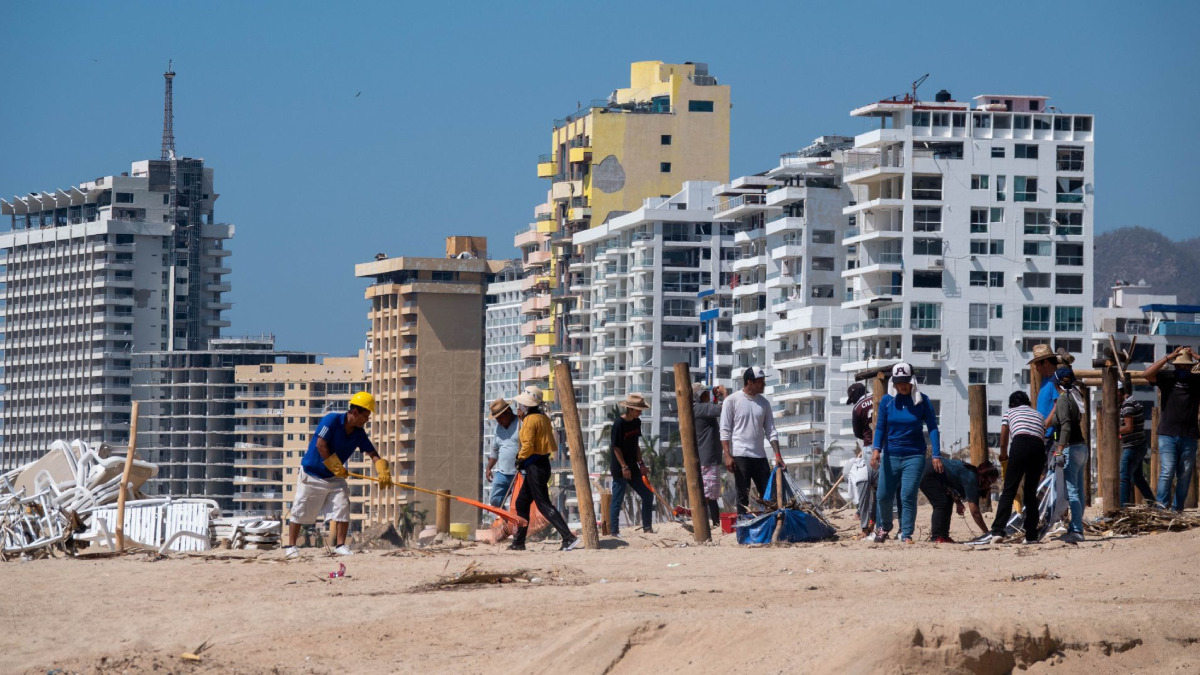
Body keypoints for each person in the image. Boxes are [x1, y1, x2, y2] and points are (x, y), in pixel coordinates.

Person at [285, 392, 387, 559]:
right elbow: (320, 445)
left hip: (335, 477)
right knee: (300, 509)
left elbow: (372, 452)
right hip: (312, 474)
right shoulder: (330, 420)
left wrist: (382, 467)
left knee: (342, 506)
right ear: (355, 412)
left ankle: (340, 545)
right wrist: (335, 465)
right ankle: (291, 546)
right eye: (366, 415)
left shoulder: (359, 433)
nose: (367, 420)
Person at [871, 362, 941, 543]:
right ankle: (885, 526)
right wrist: (876, 450)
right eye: (898, 382)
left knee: (908, 494)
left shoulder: (922, 400)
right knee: (884, 496)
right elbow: (880, 428)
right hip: (891, 454)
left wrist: (936, 455)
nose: (902, 385)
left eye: (906, 381)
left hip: (914, 455)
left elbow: (933, 428)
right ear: (893, 383)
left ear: (912, 381)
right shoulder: (887, 401)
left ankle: (906, 533)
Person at [508, 386, 579, 551]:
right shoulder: (543, 417)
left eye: (521, 404)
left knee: (543, 504)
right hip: (542, 465)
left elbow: (527, 445)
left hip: (534, 466)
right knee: (522, 502)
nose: (519, 406)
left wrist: (519, 459)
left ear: (527, 405)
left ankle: (568, 537)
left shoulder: (530, 420)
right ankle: (519, 542)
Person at [1143, 347, 1200, 511]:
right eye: (1180, 365)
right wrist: (1168, 357)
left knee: (1185, 474)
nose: (1183, 368)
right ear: (1175, 366)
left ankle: (1177, 508)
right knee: (1167, 472)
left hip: (1189, 435)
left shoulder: (1196, 380)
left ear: (1191, 367)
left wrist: (1196, 356)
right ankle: (1161, 507)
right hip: (1167, 434)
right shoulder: (1166, 377)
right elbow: (1146, 374)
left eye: (1186, 366)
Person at [987, 391, 1049, 543]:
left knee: (1009, 489)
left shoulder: (1010, 412)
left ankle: (998, 531)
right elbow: (1042, 436)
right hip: (1038, 448)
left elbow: (1003, 437)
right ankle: (1031, 535)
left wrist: (1003, 455)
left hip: (1020, 444)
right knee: (1030, 492)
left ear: (1012, 404)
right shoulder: (1039, 415)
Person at [720, 367, 782, 514]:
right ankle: (742, 527)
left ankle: (769, 523)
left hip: (759, 455)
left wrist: (777, 455)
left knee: (768, 493)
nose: (764, 385)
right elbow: (724, 430)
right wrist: (727, 455)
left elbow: (771, 430)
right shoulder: (732, 400)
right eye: (760, 382)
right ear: (750, 382)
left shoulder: (764, 404)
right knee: (742, 494)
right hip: (741, 455)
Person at [847, 382, 899, 538]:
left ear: (855, 395)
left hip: (871, 448)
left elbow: (858, 433)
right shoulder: (886, 399)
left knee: (870, 488)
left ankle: (868, 526)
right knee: (884, 488)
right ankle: (884, 526)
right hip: (890, 446)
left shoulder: (857, 408)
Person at [1046, 366, 1086, 543]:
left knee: (1071, 490)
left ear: (1056, 383)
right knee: (1078, 489)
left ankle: (1076, 530)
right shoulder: (1074, 398)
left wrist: (1060, 449)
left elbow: (1066, 426)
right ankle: (1076, 526)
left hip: (1070, 447)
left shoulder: (1063, 400)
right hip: (1081, 448)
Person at [919, 457, 998, 542]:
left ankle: (944, 536)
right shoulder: (972, 479)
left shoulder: (971, 474)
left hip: (931, 472)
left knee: (948, 501)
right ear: (984, 477)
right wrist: (987, 533)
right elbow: (975, 511)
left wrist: (958, 503)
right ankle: (936, 537)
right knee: (941, 503)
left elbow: (950, 485)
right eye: (990, 482)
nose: (989, 486)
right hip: (928, 473)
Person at [609, 392, 655, 536]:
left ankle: (647, 527)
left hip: (633, 467)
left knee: (647, 495)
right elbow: (616, 448)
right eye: (638, 410)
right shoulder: (619, 424)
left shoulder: (636, 422)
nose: (640, 412)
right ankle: (614, 531)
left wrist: (641, 464)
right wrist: (624, 467)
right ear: (630, 409)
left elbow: (636, 445)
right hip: (620, 468)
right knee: (617, 500)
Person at [692, 382, 727, 527]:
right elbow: (724, 409)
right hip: (707, 458)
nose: (707, 396)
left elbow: (711, 411)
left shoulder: (698, 408)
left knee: (711, 494)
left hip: (708, 457)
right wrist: (725, 394)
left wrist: (715, 397)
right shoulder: (700, 408)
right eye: (705, 394)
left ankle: (715, 522)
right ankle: (707, 523)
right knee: (708, 495)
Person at [1117, 381, 1155, 506]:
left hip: (1132, 446)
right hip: (1139, 444)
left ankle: (1123, 508)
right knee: (1137, 477)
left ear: (1118, 392)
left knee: (1124, 478)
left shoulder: (1127, 405)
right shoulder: (1131, 401)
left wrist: (1112, 431)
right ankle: (1153, 503)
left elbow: (1128, 428)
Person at [485, 397, 519, 508]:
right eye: (496, 419)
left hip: (519, 472)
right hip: (503, 472)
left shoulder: (521, 423)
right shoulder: (498, 428)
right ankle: (505, 520)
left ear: (508, 411)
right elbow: (495, 449)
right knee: (495, 500)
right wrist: (489, 467)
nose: (498, 421)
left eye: (500, 418)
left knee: (519, 502)